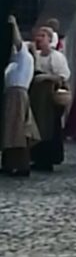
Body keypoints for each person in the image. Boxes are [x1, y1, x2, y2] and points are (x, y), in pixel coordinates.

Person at [29, 26, 72, 172]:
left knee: (50, 128)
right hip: (37, 98)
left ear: (49, 38)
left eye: (43, 35)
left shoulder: (56, 57)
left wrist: (46, 77)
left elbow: (63, 76)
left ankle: (48, 159)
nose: (39, 38)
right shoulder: (36, 55)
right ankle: (36, 157)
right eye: (38, 35)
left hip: (50, 97)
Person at [1, 15, 38, 177]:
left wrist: (14, 25)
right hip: (11, 94)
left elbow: (18, 43)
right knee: (9, 131)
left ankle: (21, 165)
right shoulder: (14, 61)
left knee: (17, 132)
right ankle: (9, 163)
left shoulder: (25, 57)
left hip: (17, 94)